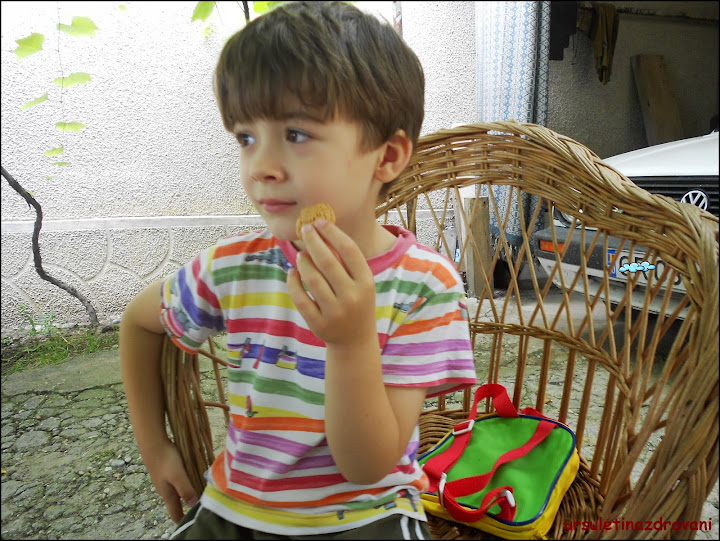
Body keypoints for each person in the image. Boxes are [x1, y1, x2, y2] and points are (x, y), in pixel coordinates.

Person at [120, 2, 477, 539]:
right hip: (236, 508)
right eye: (246, 138)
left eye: (296, 134)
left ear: (386, 156)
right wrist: (155, 447)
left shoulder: (424, 286)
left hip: (367, 515)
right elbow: (138, 322)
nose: (261, 166)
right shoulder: (233, 268)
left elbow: (367, 467)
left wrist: (351, 341)